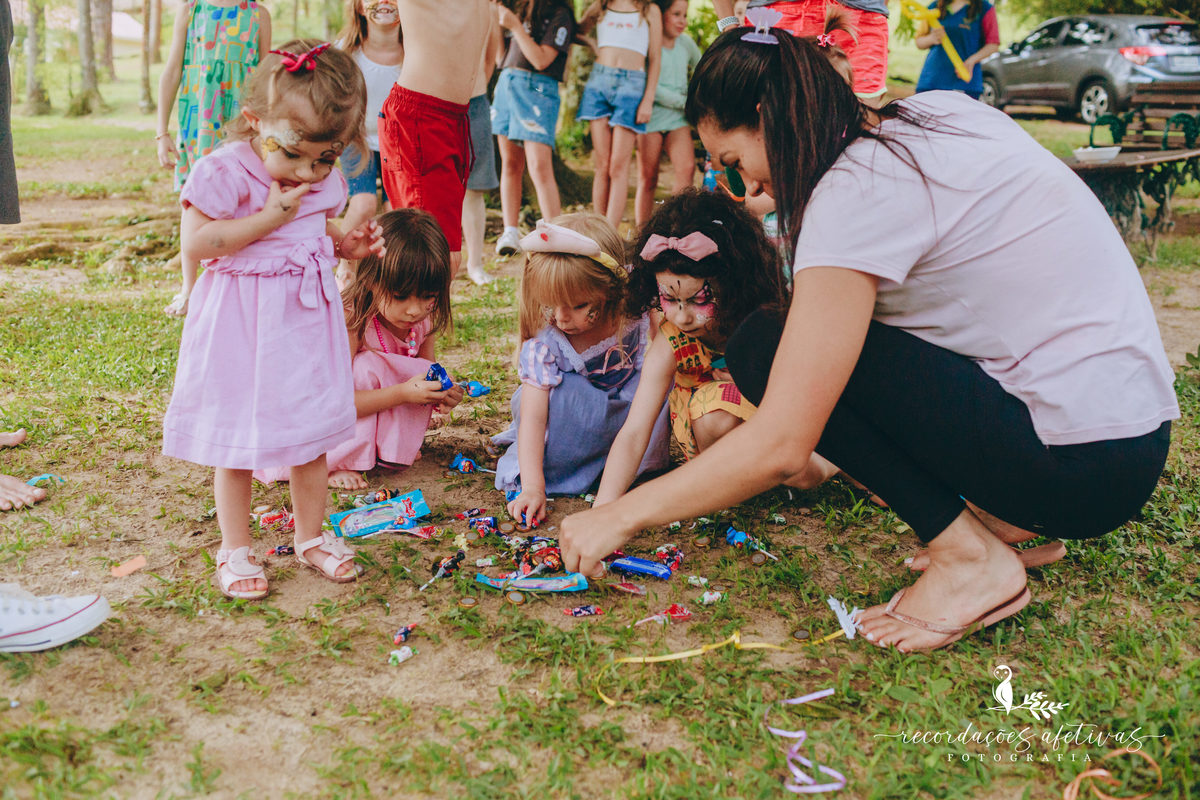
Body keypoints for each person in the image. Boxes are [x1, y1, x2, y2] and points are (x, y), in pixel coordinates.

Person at [560, 27, 1178, 652]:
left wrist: (619, 514)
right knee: (816, 331)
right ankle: (1014, 520)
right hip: (1127, 438)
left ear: (765, 116)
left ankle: (970, 560)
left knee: (765, 346)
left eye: (736, 165)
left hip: (1079, 465)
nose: (748, 192)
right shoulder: (937, 111)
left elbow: (782, 442)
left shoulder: (851, 193)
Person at [162, 41, 384, 600]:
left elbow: (314, 227)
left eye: (326, 159)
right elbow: (199, 242)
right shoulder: (224, 170)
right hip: (241, 321)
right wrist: (265, 217)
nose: (310, 172)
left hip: (304, 319)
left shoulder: (313, 178)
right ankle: (236, 548)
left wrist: (345, 243)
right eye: (296, 155)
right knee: (237, 436)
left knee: (310, 430)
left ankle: (311, 535)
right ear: (255, 120)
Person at [595, 189, 825, 504]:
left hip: (779, 422)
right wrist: (604, 507)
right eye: (669, 299)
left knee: (802, 470)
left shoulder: (767, 318)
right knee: (712, 412)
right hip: (714, 434)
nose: (682, 315)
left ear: (734, 284)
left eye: (699, 299)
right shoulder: (672, 337)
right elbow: (635, 431)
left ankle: (830, 465)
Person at [257, 209, 463, 489]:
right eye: (400, 296)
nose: (414, 309)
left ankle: (382, 451)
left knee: (403, 371)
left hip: (366, 408)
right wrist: (404, 393)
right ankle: (334, 462)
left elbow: (427, 373)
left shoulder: (424, 319)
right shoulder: (352, 321)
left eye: (428, 296)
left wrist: (441, 393)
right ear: (370, 280)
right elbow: (331, 402)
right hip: (320, 413)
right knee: (368, 368)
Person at [494, 214, 670, 526]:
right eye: (550, 304)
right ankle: (582, 469)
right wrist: (534, 488)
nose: (561, 318)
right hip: (580, 424)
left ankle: (623, 469)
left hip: (634, 416)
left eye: (577, 306)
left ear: (611, 290)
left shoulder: (640, 311)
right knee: (556, 396)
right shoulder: (548, 343)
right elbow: (535, 419)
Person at [157, 0, 272, 317]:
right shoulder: (192, 10)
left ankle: (239, 282)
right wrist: (161, 132)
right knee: (196, 202)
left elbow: (265, 79)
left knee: (245, 195)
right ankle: (189, 289)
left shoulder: (257, 15)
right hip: (200, 123)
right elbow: (172, 72)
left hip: (243, 123)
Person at [379, 0, 491, 279]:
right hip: (420, 116)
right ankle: (382, 319)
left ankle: (409, 321)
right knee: (430, 253)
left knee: (446, 252)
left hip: (455, 117)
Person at [492, 0, 577, 258]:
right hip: (507, 81)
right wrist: (498, 23)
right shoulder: (517, 8)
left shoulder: (561, 14)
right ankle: (510, 230)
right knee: (510, 163)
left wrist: (515, 27)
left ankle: (556, 234)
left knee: (539, 166)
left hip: (538, 88)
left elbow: (541, 60)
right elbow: (500, 58)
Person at [577, 0, 662, 228]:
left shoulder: (649, 10)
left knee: (618, 165)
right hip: (599, 81)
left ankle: (610, 232)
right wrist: (593, 44)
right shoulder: (601, 6)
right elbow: (576, 30)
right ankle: (596, 227)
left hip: (632, 86)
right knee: (602, 164)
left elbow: (655, 59)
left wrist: (648, 99)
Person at [711, 0, 887, 100]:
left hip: (859, 23)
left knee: (858, 138)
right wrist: (729, 26)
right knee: (777, 140)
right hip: (778, 19)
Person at [335, 0, 404, 240]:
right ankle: (343, 264)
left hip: (398, 143)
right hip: (358, 138)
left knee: (396, 209)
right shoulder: (345, 51)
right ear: (360, 7)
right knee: (363, 204)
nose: (385, 1)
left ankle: (390, 270)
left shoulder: (416, 53)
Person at [634, 0, 701, 226]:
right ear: (661, 15)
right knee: (648, 177)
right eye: (676, 14)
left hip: (678, 119)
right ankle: (641, 231)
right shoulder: (647, 44)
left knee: (686, 170)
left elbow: (703, 68)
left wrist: (696, 97)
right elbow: (645, 83)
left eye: (685, 15)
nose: (683, 21)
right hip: (649, 118)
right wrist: (683, 102)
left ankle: (675, 226)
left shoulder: (686, 44)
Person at [461, 8, 503, 285]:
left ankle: (474, 263)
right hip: (434, 101)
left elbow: (493, 57)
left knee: (474, 188)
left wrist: (475, 89)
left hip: (475, 102)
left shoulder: (486, 7)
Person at [914, 0, 1000, 100]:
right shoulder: (935, 6)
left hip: (965, 83)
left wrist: (972, 61)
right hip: (931, 80)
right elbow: (919, 42)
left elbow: (993, 44)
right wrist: (932, 38)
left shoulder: (985, 8)